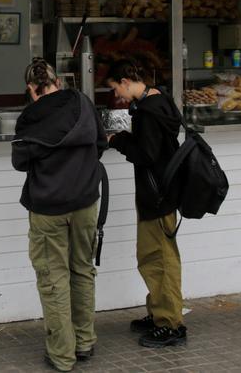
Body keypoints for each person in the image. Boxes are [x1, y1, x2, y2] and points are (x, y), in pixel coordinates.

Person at [12, 58, 107, 372]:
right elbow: (101, 143)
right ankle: (84, 342)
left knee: (54, 280)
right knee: (82, 270)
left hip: (48, 209)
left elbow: (20, 162)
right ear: (57, 80)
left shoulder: (30, 117)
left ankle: (62, 355)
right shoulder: (82, 102)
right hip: (86, 202)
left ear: (31, 87)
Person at [104, 60, 187, 348]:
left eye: (117, 89)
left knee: (159, 259)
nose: (119, 96)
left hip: (157, 193)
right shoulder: (159, 99)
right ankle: (160, 313)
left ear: (126, 81)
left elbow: (146, 154)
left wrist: (117, 140)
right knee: (154, 256)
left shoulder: (149, 112)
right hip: (162, 190)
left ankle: (170, 324)